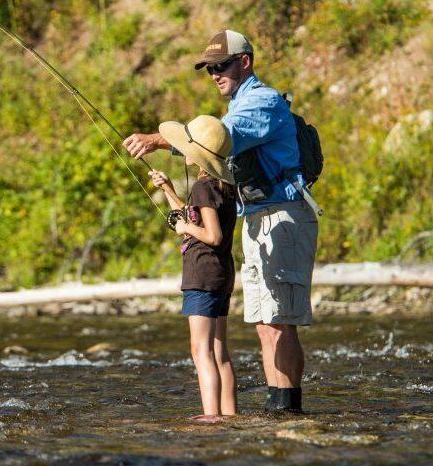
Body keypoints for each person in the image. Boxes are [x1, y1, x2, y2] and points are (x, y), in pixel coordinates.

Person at [124, 30, 319, 414]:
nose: (213, 73)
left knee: (280, 322)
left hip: (283, 217)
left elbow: (217, 140)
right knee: (266, 323)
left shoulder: (259, 103)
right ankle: (277, 409)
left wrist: (158, 139)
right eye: (209, 68)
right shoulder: (239, 104)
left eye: (220, 65)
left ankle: (288, 410)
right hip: (260, 219)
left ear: (244, 62)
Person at [149, 114, 238, 423]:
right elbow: (198, 220)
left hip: (202, 274)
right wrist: (170, 191)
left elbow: (211, 235)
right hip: (222, 274)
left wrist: (184, 225)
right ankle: (228, 415)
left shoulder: (203, 188)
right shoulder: (222, 186)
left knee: (201, 351)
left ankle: (211, 417)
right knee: (219, 350)